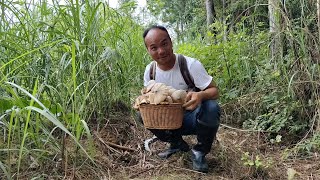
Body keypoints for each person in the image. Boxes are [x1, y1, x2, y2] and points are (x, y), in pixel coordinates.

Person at [141, 25, 221, 173]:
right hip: (167, 120)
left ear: (171, 42)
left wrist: (200, 95)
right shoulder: (150, 71)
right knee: (142, 113)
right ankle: (176, 143)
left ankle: (199, 152)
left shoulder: (190, 65)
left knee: (211, 107)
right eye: (154, 47)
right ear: (148, 50)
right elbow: (148, 95)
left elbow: (215, 91)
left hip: (193, 118)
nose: (161, 51)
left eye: (164, 43)